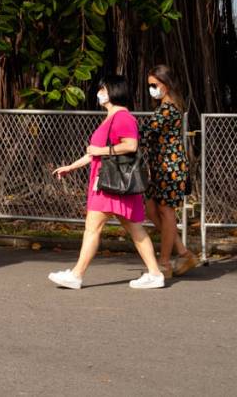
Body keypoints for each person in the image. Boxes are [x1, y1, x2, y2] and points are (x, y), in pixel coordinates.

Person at [48, 75, 165, 290]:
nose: (100, 93)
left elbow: (130, 145)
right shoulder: (112, 117)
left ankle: (76, 275)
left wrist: (100, 150)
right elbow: (94, 153)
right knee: (134, 230)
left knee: (93, 228)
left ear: (114, 91)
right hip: (111, 183)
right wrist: (71, 166)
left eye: (104, 89)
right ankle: (155, 274)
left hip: (111, 184)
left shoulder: (122, 118)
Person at [142, 65, 198, 277]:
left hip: (170, 169)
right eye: (150, 85)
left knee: (166, 212)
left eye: (155, 85)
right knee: (151, 209)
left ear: (167, 84)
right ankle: (183, 252)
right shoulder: (164, 107)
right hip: (160, 168)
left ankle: (164, 263)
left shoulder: (168, 109)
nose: (152, 89)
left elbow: (146, 133)